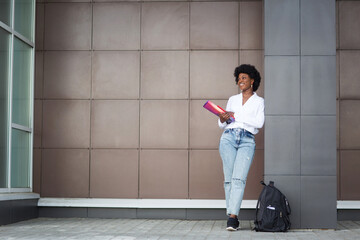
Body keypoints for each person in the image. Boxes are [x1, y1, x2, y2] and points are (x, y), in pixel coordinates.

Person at [218, 64, 265, 231]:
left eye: (243, 78)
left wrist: (237, 116)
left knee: (239, 179)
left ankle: (232, 216)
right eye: (238, 79)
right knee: (229, 179)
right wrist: (224, 118)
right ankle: (233, 217)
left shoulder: (259, 102)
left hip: (246, 140)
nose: (240, 81)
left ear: (252, 80)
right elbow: (222, 123)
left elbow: (259, 123)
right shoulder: (233, 99)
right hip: (228, 138)